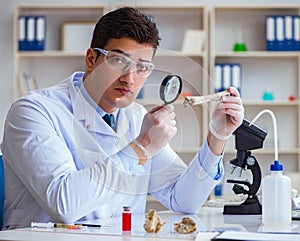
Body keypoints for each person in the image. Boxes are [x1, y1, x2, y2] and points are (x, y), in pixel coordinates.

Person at [1, 7, 244, 229]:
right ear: (91, 59)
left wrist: (217, 136)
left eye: (142, 67)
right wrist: (142, 147)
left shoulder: (136, 117)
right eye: (118, 61)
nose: (129, 78)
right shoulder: (33, 111)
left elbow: (183, 199)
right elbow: (65, 205)